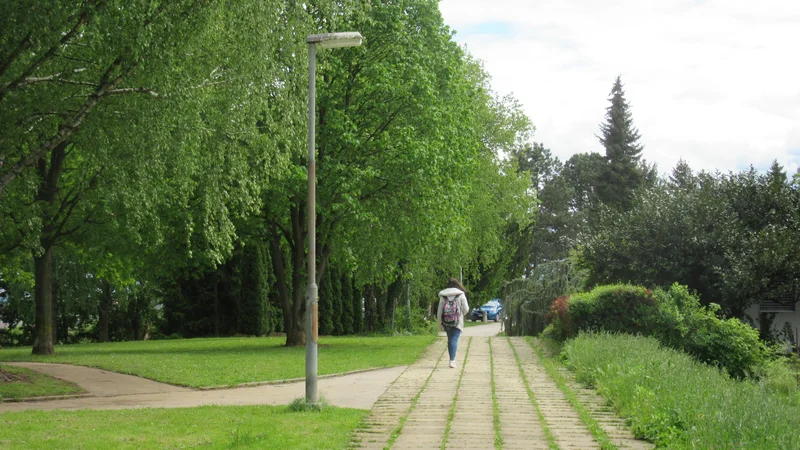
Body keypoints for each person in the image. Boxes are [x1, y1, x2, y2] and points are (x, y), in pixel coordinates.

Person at [437, 278, 469, 368]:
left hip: (446, 321)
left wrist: (440, 323)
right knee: (454, 339)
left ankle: (451, 359)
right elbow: (466, 309)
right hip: (457, 322)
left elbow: (439, 311)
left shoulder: (443, 296)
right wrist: (461, 314)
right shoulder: (461, 295)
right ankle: (452, 361)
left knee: (450, 339)